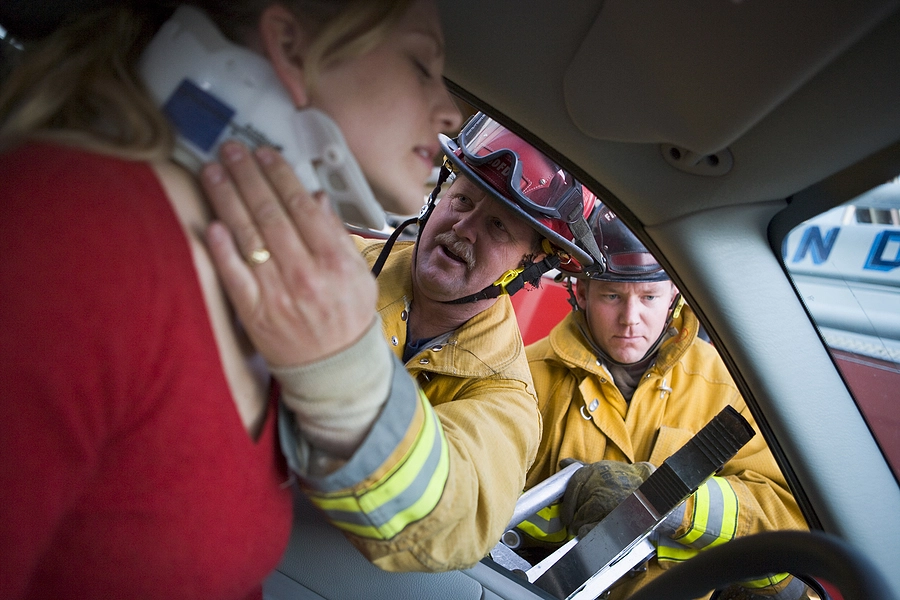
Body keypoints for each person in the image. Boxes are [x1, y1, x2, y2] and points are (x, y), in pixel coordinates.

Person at [0, 1, 461, 598]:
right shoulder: (68, 240)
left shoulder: (282, 294)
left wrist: (345, 370)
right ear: (291, 48)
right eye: (422, 65)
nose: (451, 112)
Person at [199, 112, 607, 571]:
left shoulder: (506, 400)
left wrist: (336, 365)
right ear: (438, 196)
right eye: (463, 199)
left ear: (529, 267)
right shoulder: (327, 258)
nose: (464, 226)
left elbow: (452, 513)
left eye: (498, 227)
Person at [521, 203, 809, 599]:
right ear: (582, 292)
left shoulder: (725, 387)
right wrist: (575, 501)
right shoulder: (529, 378)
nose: (630, 318)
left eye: (650, 297)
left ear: (674, 294)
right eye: (611, 296)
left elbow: (785, 515)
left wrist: (675, 508)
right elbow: (488, 508)